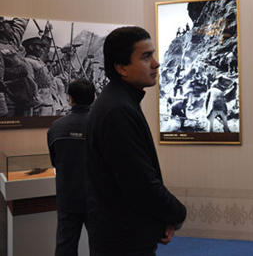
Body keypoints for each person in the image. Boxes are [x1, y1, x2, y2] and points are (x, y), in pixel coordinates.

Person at [86, 26, 186, 256]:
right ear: (121, 67)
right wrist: (177, 213)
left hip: (122, 233)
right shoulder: (117, 110)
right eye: (145, 56)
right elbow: (140, 183)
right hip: (123, 240)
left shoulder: (119, 101)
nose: (156, 63)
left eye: (153, 54)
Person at [47, 78, 96, 256]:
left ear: (70, 99)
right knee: (100, 247)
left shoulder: (56, 127)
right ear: (94, 97)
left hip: (67, 198)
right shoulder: (101, 125)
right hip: (96, 199)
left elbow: (55, 161)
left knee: (65, 247)